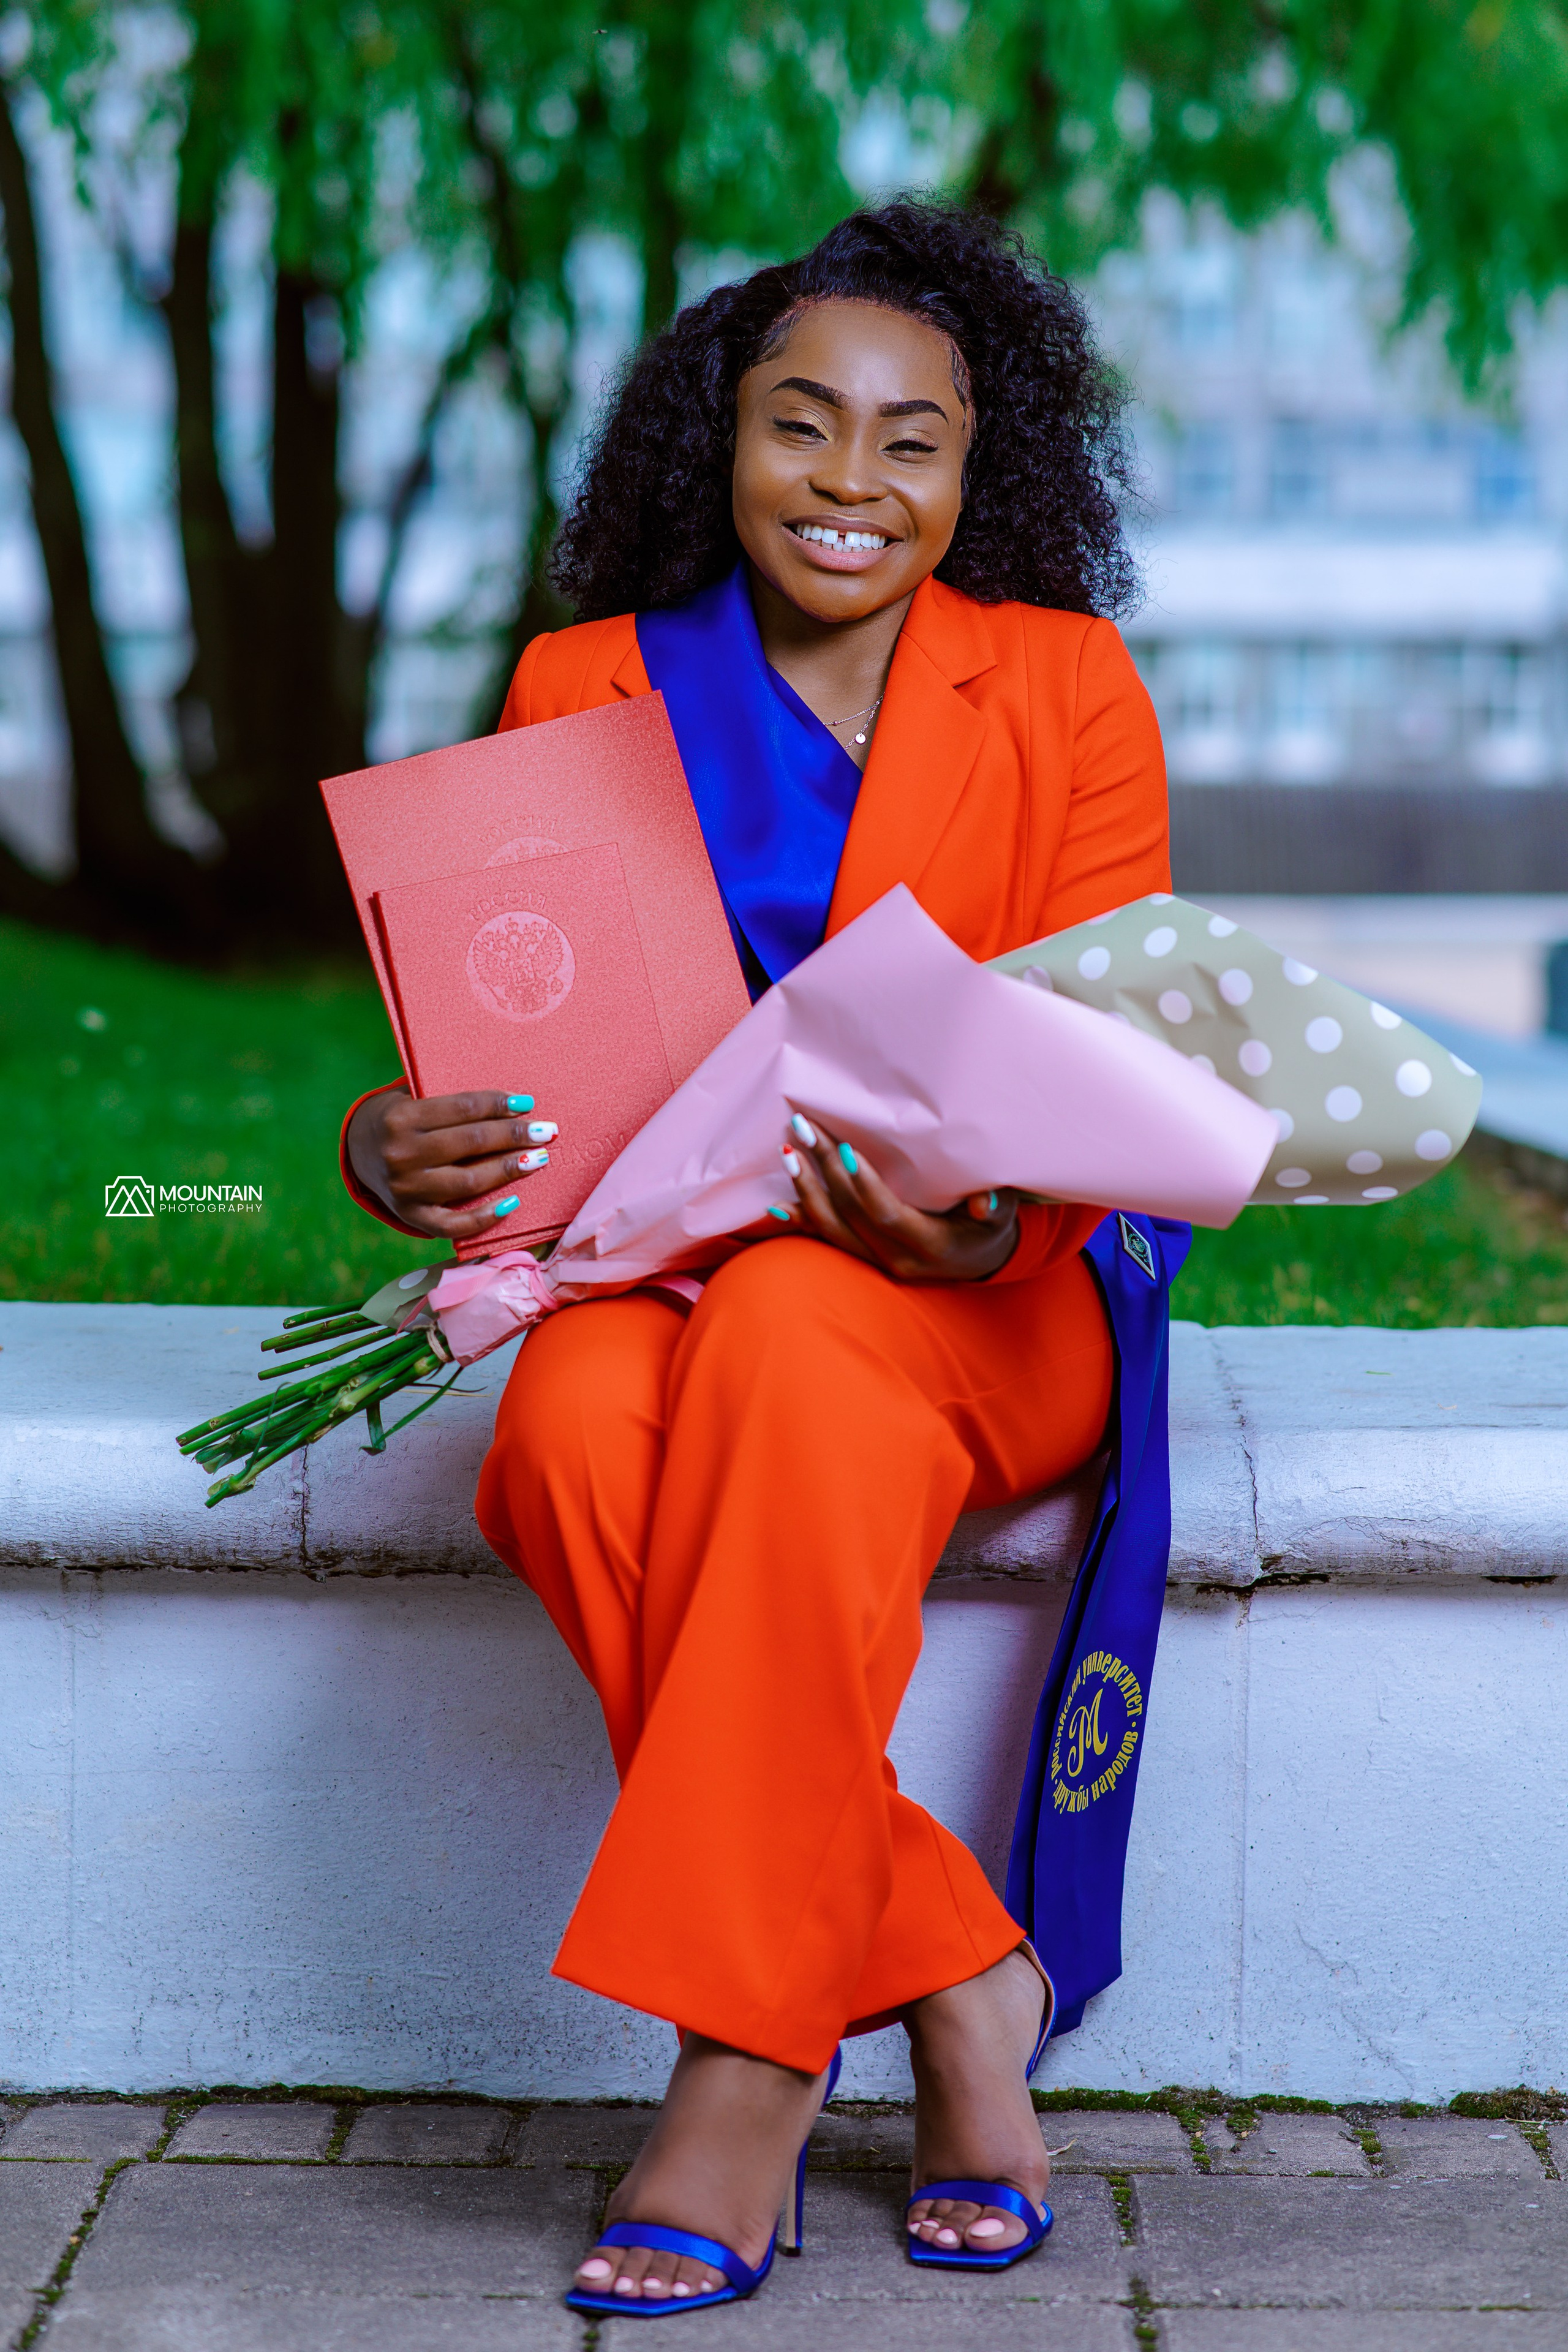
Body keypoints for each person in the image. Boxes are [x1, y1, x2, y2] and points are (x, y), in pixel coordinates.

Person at [341, 202, 1167, 2312]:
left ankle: (742, 2063)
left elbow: (1112, 1057)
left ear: (982, 475)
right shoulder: (583, 682)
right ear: (722, 441)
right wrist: (390, 1143)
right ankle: (958, 1974)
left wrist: (988, 1218)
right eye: (806, 427)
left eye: (915, 443)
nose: (853, 484)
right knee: (562, 1443)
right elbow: (504, 1049)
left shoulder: (1064, 689)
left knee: (803, 1317)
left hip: (987, 1300)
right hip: (646, 1276)